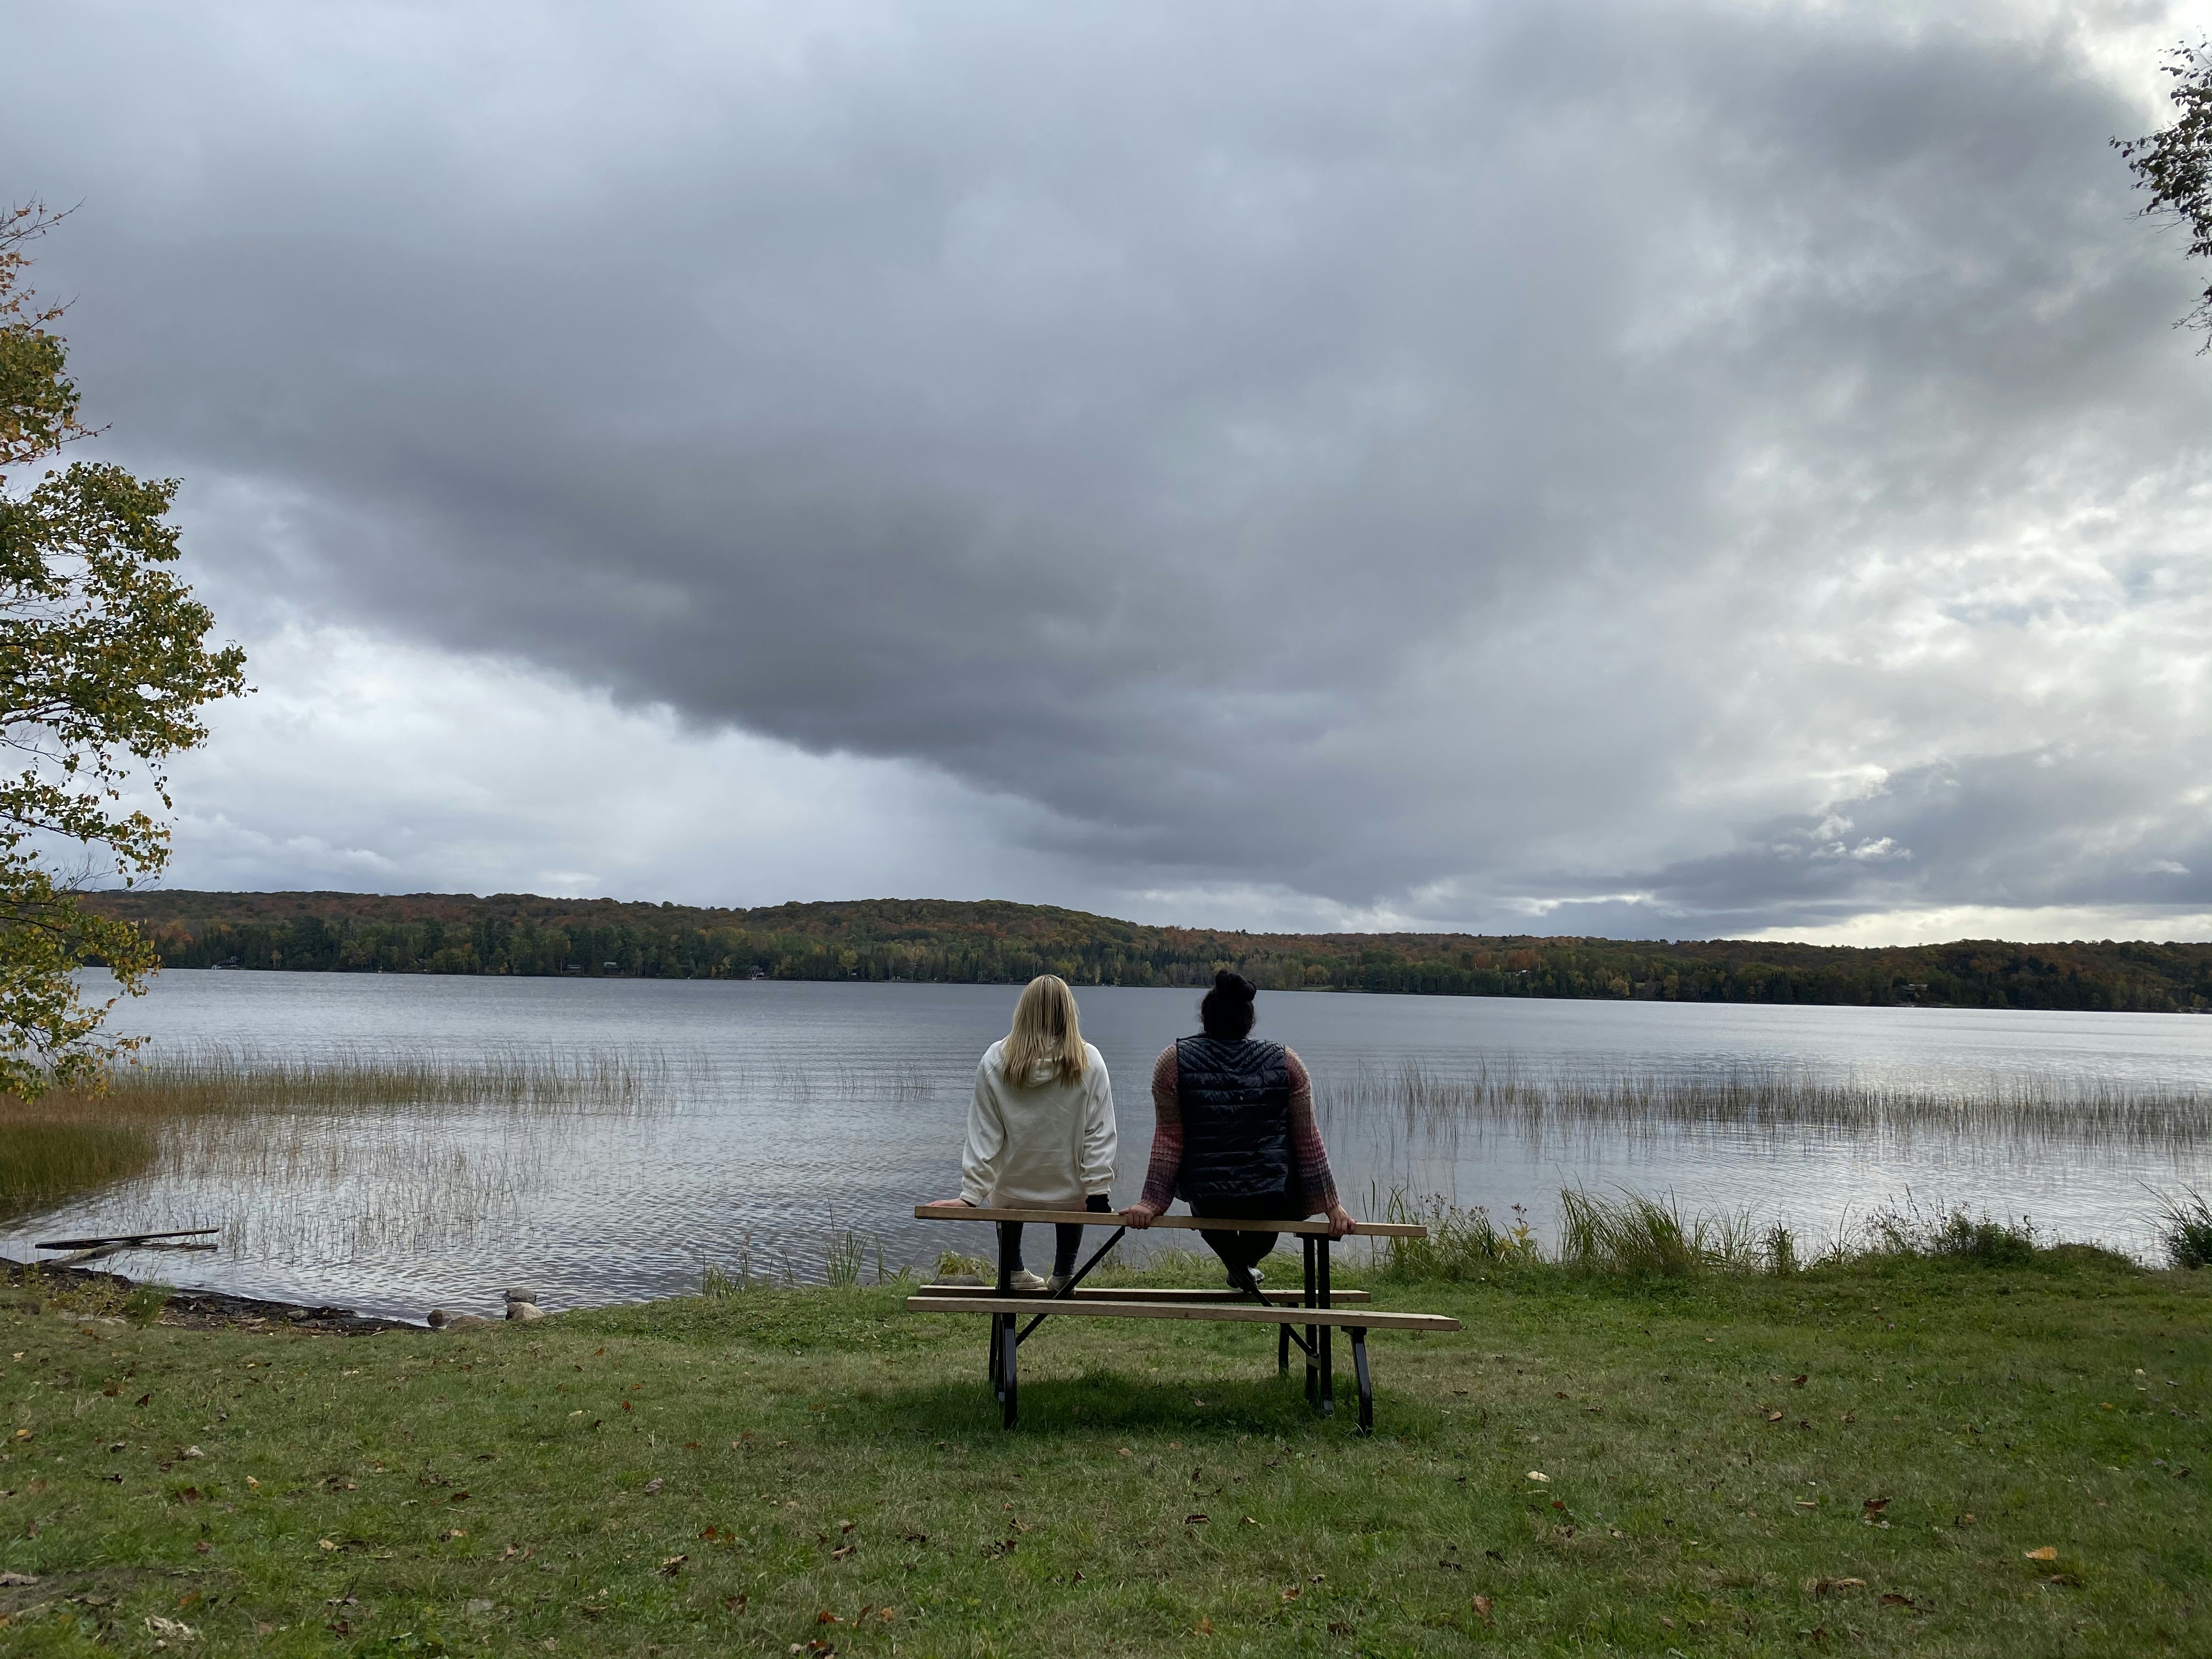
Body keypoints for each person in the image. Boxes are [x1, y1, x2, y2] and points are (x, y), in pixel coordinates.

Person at [1119, 969, 1353, 1291]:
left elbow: (1169, 1139)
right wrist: (1332, 1206)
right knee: (1266, 1223)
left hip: (1209, 1198)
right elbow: (1307, 1139)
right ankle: (1244, 1268)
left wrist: (1151, 1203)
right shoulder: (1287, 1062)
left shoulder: (1172, 1063)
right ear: (1249, 1020)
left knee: (1209, 1206)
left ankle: (1238, 1269)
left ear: (1205, 1017)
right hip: (1270, 1197)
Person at [937, 974, 1116, 1293]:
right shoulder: (1090, 1061)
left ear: (1023, 1011)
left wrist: (971, 1196)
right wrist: (1098, 1192)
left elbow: (983, 1136)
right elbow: (1098, 1135)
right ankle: (1064, 1273)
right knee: (1075, 1188)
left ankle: (1014, 1269)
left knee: (1006, 1182)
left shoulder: (995, 1060)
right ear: (1069, 1012)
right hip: (1071, 1198)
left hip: (1010, 1197)